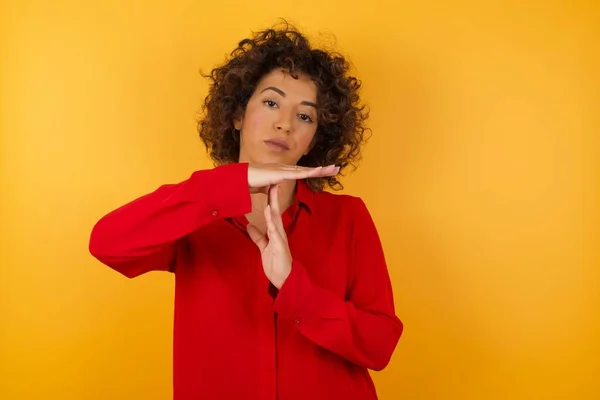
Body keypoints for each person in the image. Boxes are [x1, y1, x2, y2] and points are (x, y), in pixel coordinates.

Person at [89, 21, 403, 400]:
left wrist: (294, 287)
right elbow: (107, 243)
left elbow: (379, 344)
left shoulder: (348, 218)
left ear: (314, 140)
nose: (284, 123)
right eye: (271, 102)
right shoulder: (193, 216)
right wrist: (225, 187)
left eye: (305, 116)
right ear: (237, 116)